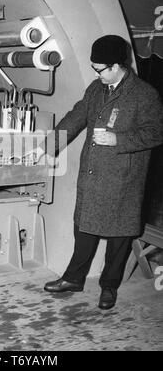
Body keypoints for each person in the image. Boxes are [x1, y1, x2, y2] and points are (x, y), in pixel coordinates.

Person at [36, 35, 163, 309]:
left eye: (100, 69)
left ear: (118, 66)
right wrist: (48, 147)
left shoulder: (144, 94)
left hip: (123, 180)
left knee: (118, 239)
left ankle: (109, 287)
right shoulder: (96, 89)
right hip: (93, 175)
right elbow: (76, 116)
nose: (97, 73)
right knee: (83, 230)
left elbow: (156, 132)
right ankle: (73, 278)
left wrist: (119, 140)